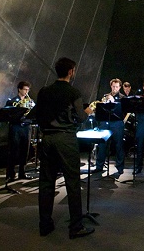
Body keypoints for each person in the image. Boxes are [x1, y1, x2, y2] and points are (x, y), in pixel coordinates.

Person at [35, 57, 94, 239]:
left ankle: (45, 225)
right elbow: (81, 118)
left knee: (46, 182)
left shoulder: (44, 91)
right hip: (65, 140)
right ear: (70, 72)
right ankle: (76, 227)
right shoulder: (73, 92)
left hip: (47, 139)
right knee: (72, 183)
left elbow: (38, 115)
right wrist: (88, 111)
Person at [92, 78, 128, 179]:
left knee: (118, 145)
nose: (115, 88)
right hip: (105, 123)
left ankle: (120, 167)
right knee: (102, 145)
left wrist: (114, 102)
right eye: (113, 86)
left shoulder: (122, 97)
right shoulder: (105, 96)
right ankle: (99, 166)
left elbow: (124, 111)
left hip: (117, 124)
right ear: (110, 86)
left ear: (120, 87)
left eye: (117, 87)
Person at [6, 81, 35, 182]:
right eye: (25, 89)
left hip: (26, 127)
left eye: (28, 90)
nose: (27, 92)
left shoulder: (30, 101)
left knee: (25, 150)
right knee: (13, 150)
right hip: (16, 127)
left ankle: (22, 172)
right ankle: (10, 173)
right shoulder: (12, 101)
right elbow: (9, 115)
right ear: (19, 89)